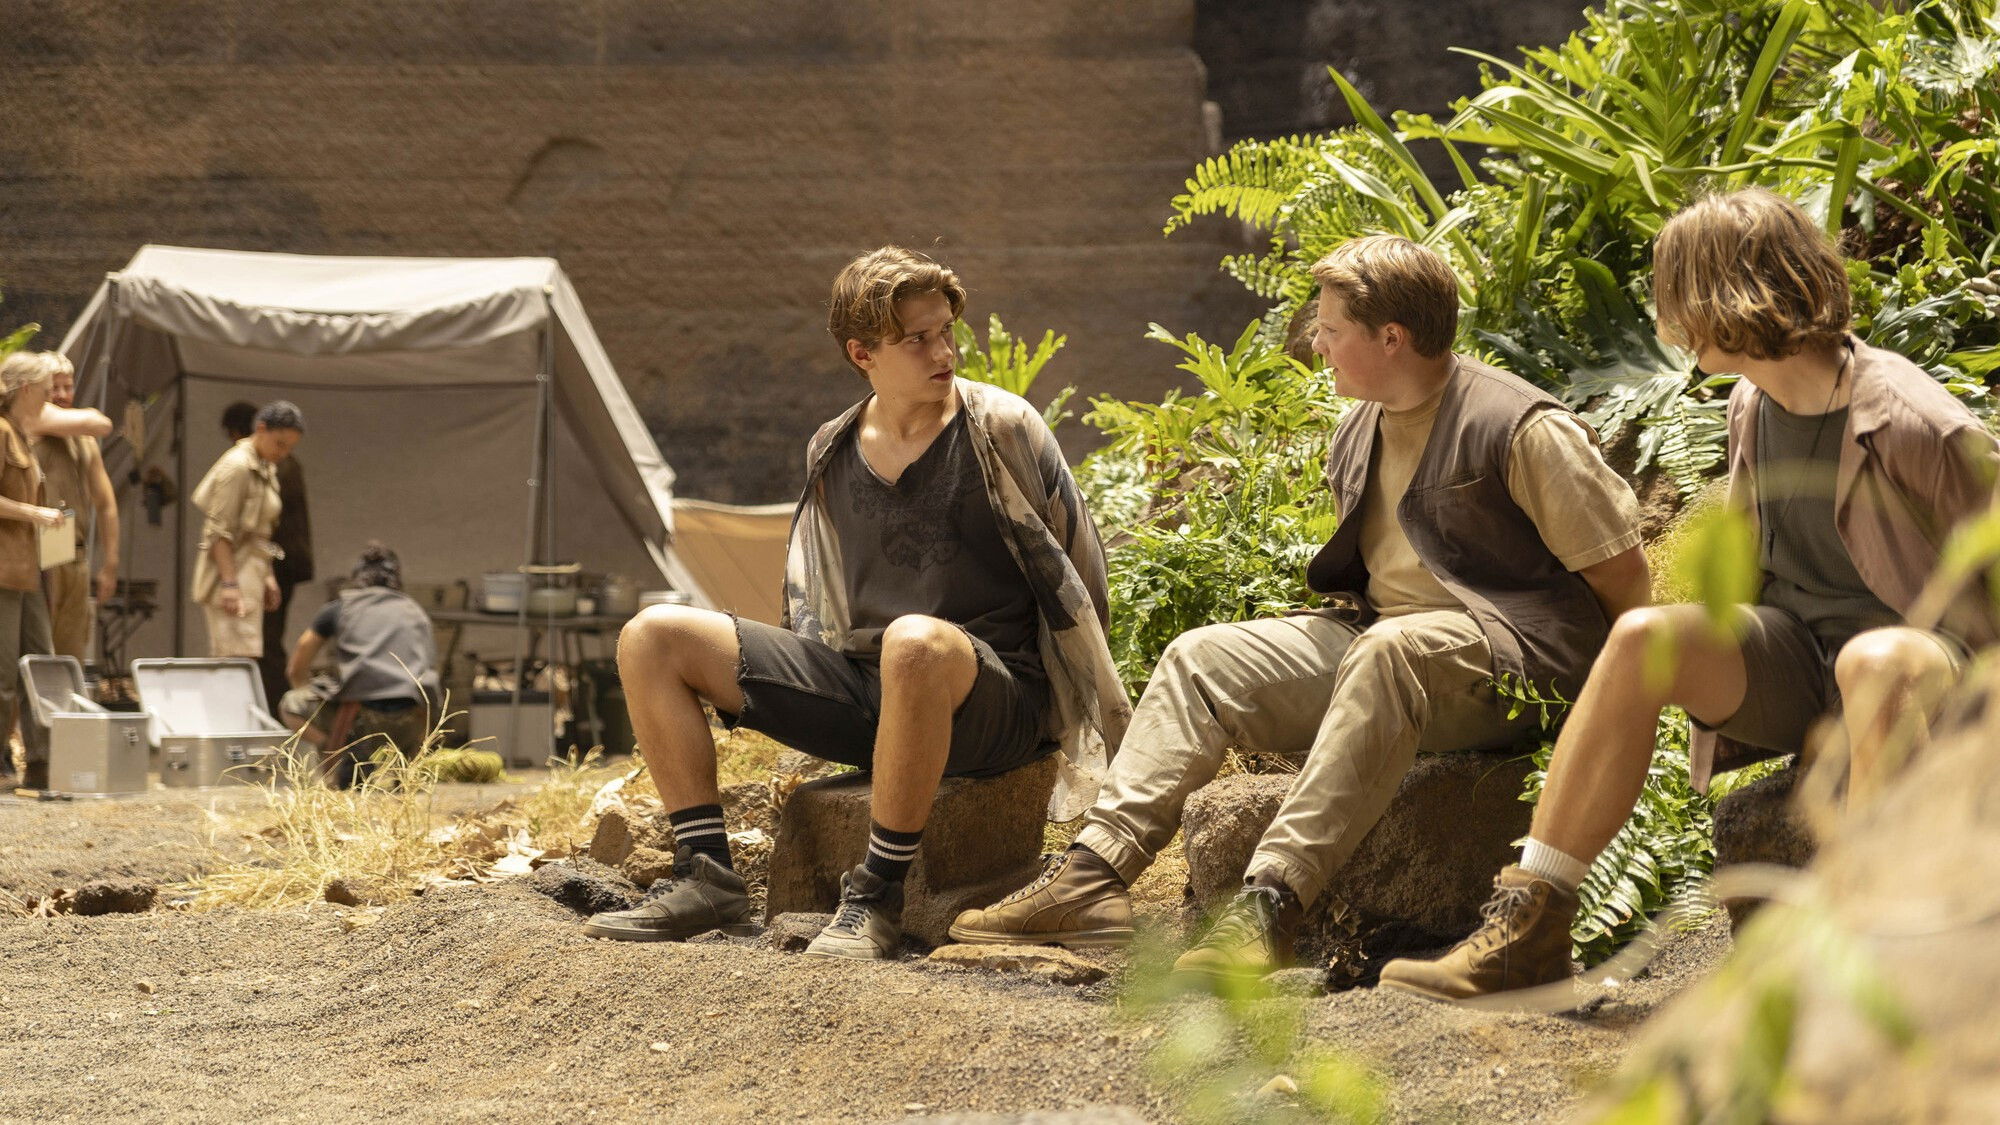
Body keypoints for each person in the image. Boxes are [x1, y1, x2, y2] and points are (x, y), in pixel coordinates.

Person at [949, 235, 1650, 983]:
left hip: (1515, 665)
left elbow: (1624, 578)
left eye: (1331, 329)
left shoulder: (1520, 426)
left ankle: (1269, 907)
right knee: (1201, 659)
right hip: (1383, 644)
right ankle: (1093, 877)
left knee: (1390, 653)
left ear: (1392, 337)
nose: (1315, 343)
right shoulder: (1359, 427)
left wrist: (1606, 715)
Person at [1378, 188, 1999, 1004]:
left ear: (1731, 293)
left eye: (1674, 292)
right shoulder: (1752, 404)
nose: (1666, 318)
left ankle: (1888, 947)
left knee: (1874, 659)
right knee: (1644, 636)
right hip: (1806, 663)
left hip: (1924, 675)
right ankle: (1529, 929)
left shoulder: (1916, 422)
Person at [583, 246, 1129, 959]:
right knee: (652, 634)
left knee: (915, 641)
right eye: (918, 339)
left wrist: (1082, 712)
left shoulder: (1002, 427)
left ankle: (875, 896)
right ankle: (706, 875)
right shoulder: (831, 448)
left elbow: (1083, 581)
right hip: (871, 691)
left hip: (996, 701)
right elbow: (816, 605)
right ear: (862, 353)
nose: (944, 351)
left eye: (945, 330)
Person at [0, 352, 104, 789]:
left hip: (32, 569)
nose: (50, 398)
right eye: (45, 390)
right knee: (4, 673)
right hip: (5, 571)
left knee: (42, 665)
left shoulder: (22, 434)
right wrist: (35, 513)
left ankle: (43, 762)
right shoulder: (3, 432)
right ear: (26, 390)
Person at [279, 543, 439, 788]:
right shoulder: (415, 610)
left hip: (360, 716)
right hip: (414, 716)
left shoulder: (339, 608)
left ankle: (340, 751)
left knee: (290, 704)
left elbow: (297, 665)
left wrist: (307, 691)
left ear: (357, 578)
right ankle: (409, 768)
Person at [217, 401, 317, 710]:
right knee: (256, 642)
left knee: (263, 643)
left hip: (272, 562)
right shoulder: (255, 463)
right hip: (272, 562)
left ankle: (275, 710)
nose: (282, 451)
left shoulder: (269, 465)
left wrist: (254, 574)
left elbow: (247, 526)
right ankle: (271, 709)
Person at [189, 401, 303, 660]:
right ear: (261, 429)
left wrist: (267, 575)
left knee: (245, 656)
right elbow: (218, 531)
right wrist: (229, 584)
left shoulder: (265, 467)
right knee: (232, 660)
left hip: (251, 571)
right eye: (280, 444)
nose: (283, 453)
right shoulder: (237, 466)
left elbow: (261, 531)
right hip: (232, 574)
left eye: (290, 447)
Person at [32, 355, 119, 662]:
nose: (61, 395)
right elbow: (98, 422)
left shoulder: (83, 440)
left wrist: (110, 563)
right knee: (37, 650)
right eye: (53, 387)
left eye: (67, 387)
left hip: (74, 550)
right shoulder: (28, 424)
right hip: (37, 550)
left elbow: (106, 503)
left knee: (71, 652)